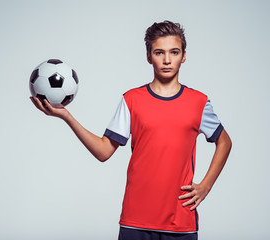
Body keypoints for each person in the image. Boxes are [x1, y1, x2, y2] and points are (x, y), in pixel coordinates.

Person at [30, 20, 232, 240]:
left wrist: (205, 186)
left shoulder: (198, 102)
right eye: (159, 52)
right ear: (148, 56)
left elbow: (225, 142)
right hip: (135, 221)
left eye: (174, 52)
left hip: (180, 224)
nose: (166, 60)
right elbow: (103, 151)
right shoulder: (132, 100)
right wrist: (67, 116)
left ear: (184, 56)